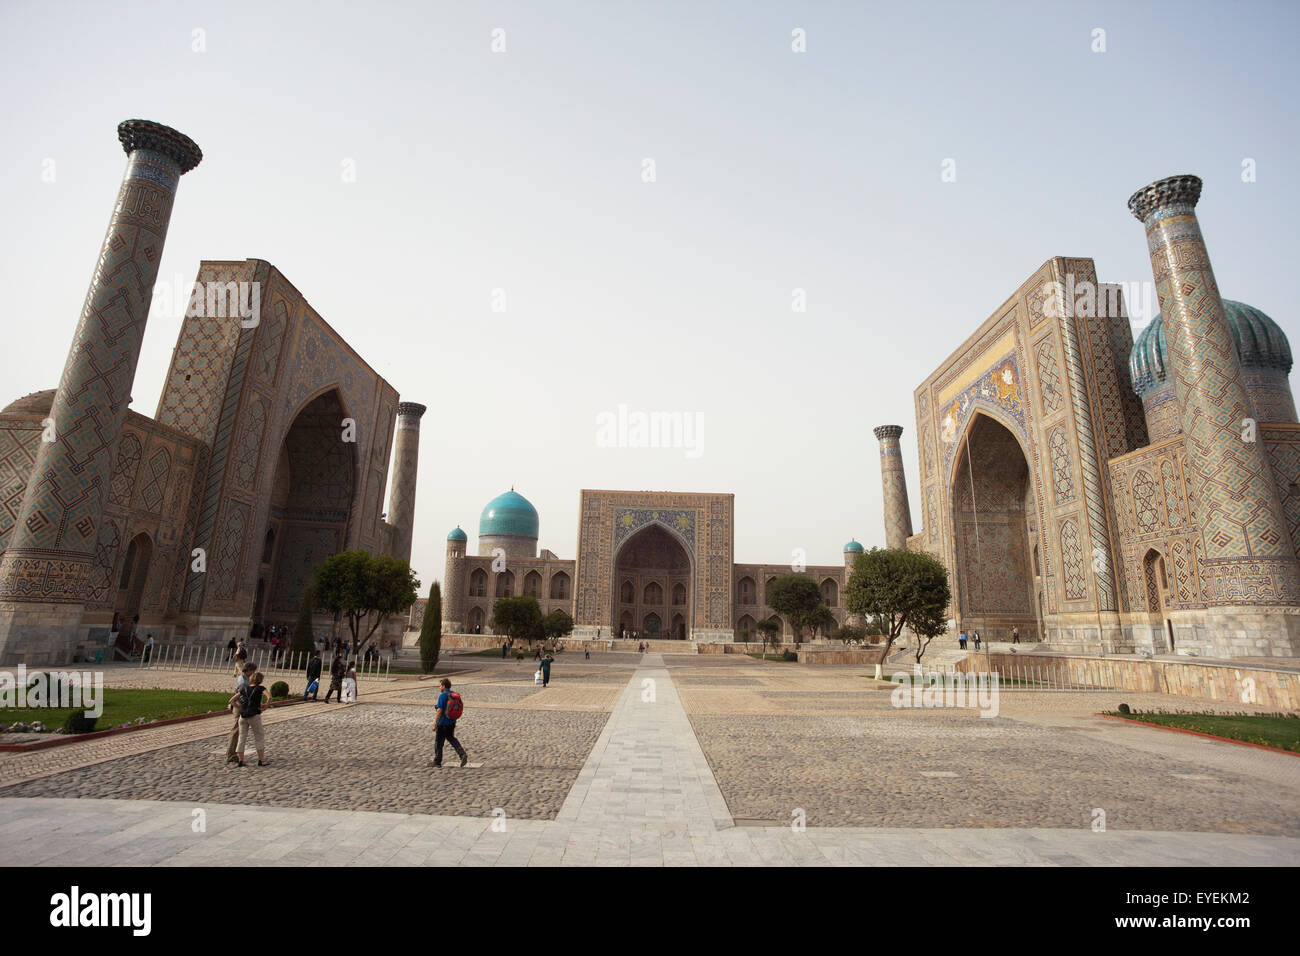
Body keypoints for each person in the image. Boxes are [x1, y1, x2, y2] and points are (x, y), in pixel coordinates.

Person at [229, 671, 270, 767]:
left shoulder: (244, 688)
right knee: (259, 736)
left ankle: (241, 760)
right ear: (260, 680)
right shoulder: (261, 688)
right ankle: (261, 760)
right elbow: (269, 697)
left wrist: (240, 708)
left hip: (243, 716)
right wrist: (265, 707)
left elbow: (231, 701)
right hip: (254, 715)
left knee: (242, 737)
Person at [429, 678, 468, 768]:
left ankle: (437, 761)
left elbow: (439, 710)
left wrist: (435, 723)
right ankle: (462, 754)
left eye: (440, 685)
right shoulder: (453, 694)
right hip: (452, 722)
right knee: (451, 738)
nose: (439, 687)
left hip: (442, 723)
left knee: (439, 742)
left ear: (443, 686)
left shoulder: (442, 695)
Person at [226, 661, 257, 763]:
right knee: (236, 730)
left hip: (242, 704)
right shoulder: (243, 681)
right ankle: (230, 754)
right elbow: (242, 695)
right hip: (239, 705)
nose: (253, 673)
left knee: (239, 730)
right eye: (252, 671)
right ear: (248, 670)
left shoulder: (245, 678)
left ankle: (234, 752)